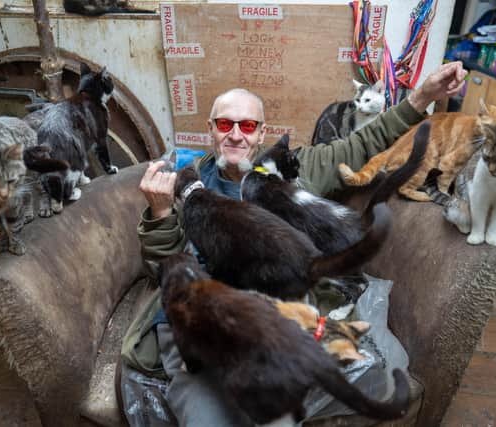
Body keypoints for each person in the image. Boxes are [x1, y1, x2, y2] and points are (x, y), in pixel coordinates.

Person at [123, 61, 468, 426]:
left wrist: (423, 95)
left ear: (261, 133)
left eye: (248, 126)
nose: (236, 135)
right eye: (225, 124)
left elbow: (363, 142)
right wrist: (161, 214)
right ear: (210, 129)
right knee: (208, 418)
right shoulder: (186, 181)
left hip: (269, 324)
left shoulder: (293, 170)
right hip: (203, 326)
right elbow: (165, 270)